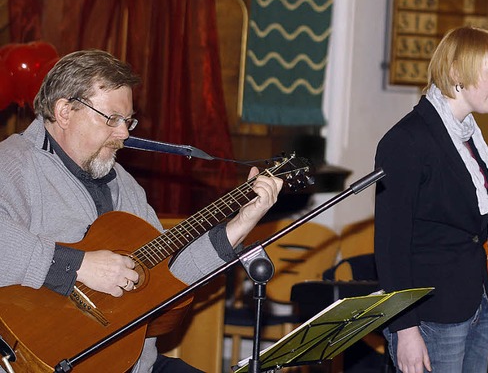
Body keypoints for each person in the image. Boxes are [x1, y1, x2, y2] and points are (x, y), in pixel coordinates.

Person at [0, 49, 283, 372]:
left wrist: (239, 226)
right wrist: (77, 266)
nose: (124, 133)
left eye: (128, 120)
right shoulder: (13, 164)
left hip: (135, 364)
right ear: (64, 111)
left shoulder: (126, 186)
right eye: (112, 119)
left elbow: (168, 275)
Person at [374, 26, 488, 373]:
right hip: (430, 313)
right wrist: (405, 329)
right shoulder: (407, 139)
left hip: (472, 301)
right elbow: (391, 247)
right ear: (455, 73)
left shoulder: (468, 137)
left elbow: (469, 216)